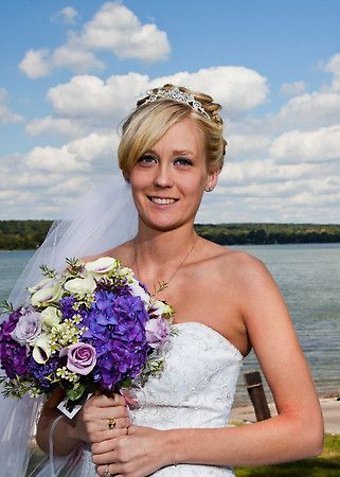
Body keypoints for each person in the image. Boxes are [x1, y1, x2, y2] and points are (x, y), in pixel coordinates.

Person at [4, 84, 323, 477]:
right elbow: (47, 429)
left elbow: (306, 431)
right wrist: (77, 426)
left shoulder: (244, 278)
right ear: (127, 170)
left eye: (183, 162)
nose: (162, 179)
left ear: (212, 175)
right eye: (147, 159)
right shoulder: (83, 278)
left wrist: (167, 447)